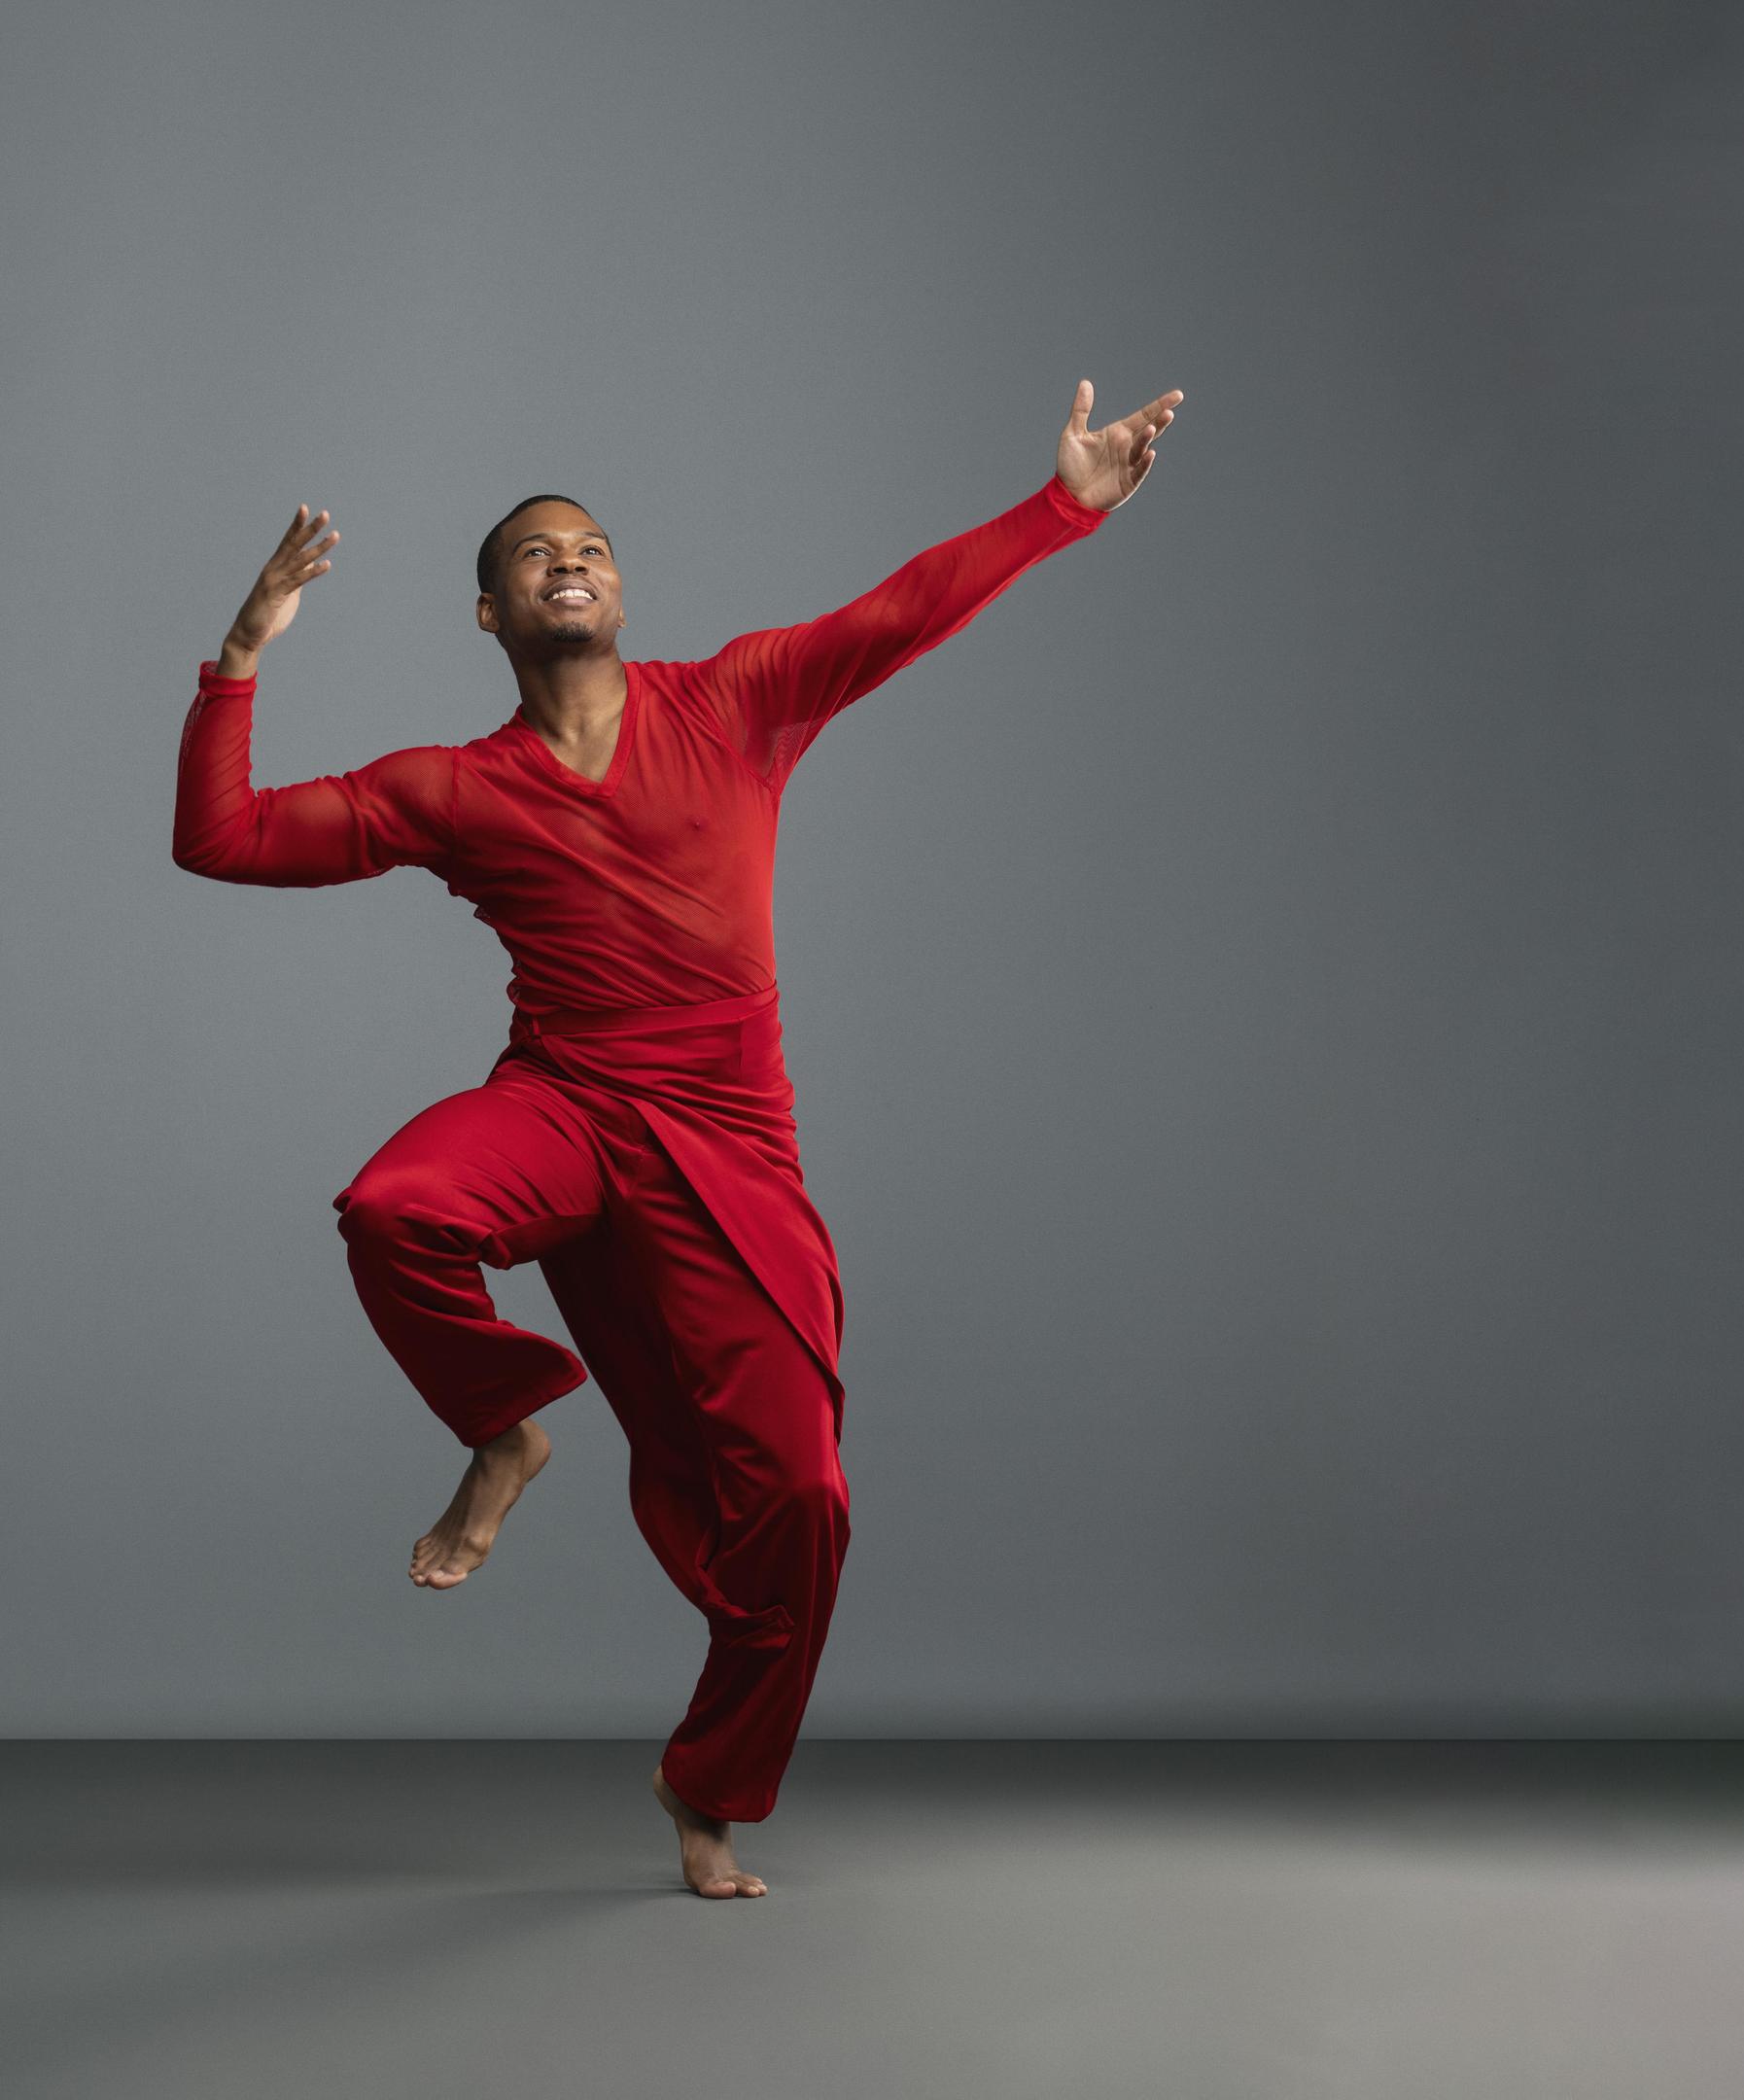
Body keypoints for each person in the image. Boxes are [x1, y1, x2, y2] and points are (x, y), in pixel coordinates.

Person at [171, 379, 1180, 1897]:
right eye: (532, 554)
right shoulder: (454, 788)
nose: (567, 557)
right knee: (394, 1209)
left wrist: (1063, 507)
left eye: (589, 544)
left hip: (727, 1150)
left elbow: (901, 611)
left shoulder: (739, 699)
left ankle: (707, 1783)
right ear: (489, 616)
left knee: (802, 1503)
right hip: (563, 1109)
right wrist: (240, 658)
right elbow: (225, 838)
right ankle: (506, 1428)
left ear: (622, 590)